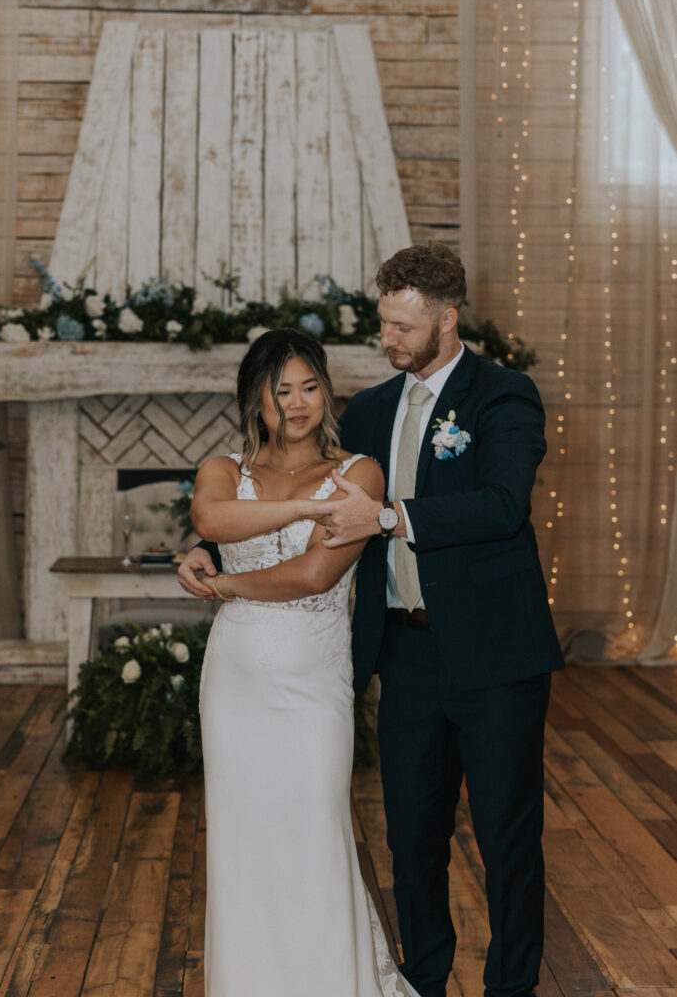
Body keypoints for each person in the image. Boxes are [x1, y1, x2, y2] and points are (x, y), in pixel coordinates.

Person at [179, 241, 565, 997]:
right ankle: (421, 977)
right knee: (413, 837)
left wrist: (387, 517)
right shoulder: (374, 407)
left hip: (494, 656)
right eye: (381, 323)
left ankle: (510, 988)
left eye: (398, 327)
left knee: (504, 838)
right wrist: (208, 542)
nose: (383, 340)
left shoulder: (503, 395)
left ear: (445, 320)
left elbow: (500, 505)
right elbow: (301, 490)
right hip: (403, 650)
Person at [183, 326, 421, 997]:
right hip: (235, 679)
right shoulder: (224, 470)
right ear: (254, 400)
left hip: (313, 675)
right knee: (243, 838)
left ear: (326, 391)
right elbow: (209, 517)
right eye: (278, 390)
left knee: (315, 824)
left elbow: (316, 574)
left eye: (308, 386)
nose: (296, 402)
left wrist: (224, 583)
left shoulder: (359, 473)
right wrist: (296, 505)